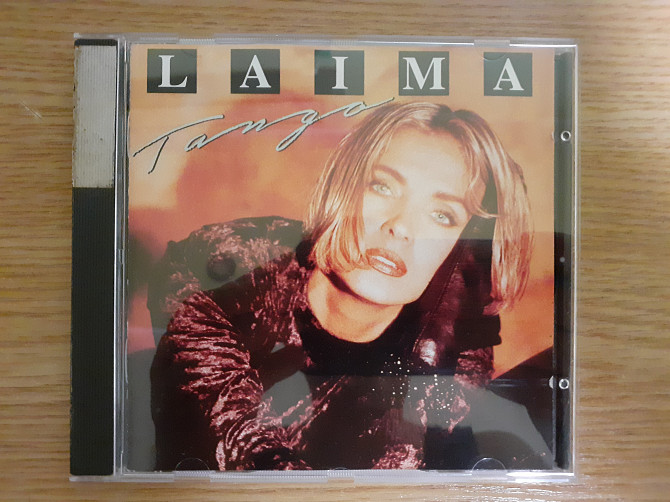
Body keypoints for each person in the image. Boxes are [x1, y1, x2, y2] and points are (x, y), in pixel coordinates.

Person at [150, 101, 533, 471]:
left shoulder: (454, 345)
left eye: (442, 215)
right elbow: (248, 452)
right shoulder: (223, 277)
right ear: (342, 186)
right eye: (382, 187)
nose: (400, 227)